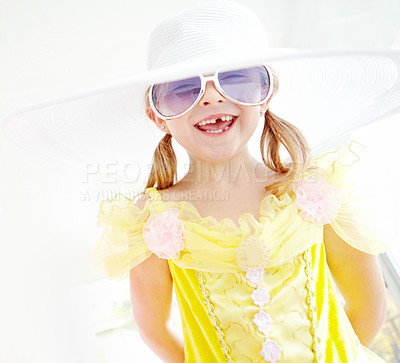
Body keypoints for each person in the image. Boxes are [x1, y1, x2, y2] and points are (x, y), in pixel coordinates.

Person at [3, 1, 400, 362]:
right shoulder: (153, 223)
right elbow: (155, 331)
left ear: (265, 93)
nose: (210, 99)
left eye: (235, 80)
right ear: (157, 115)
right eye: (184, 90)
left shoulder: (313, 191)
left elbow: (368, 303)